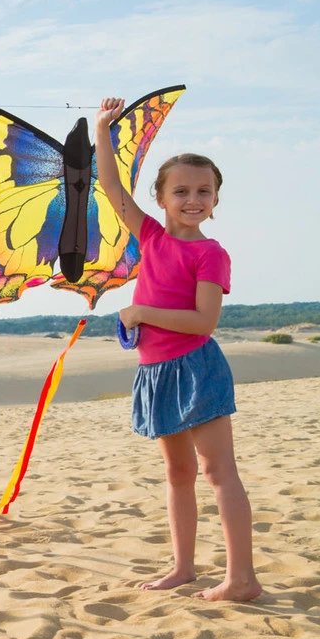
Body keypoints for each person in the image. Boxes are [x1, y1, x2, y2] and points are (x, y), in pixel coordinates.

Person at [94, 97, 261, 602]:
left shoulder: (211, 253)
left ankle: (242, 579)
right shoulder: (147, 235)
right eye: (181, 190)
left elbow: (203, 322)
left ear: (215, 199)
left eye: (204, 191)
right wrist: (103, 128)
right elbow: (108, 185)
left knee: (217, 471)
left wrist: (140, 313)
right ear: (161, 198)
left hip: (196, 368)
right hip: (156, 370)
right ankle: (184, 567)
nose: (193, 199)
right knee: (178, 473)